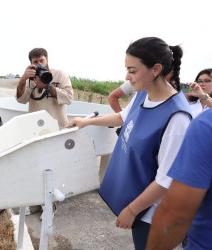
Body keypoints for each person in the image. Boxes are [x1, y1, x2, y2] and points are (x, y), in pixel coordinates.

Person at [65, 37, 192, 250]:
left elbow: (165, 181)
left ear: (155, 69)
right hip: (136, 192)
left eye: (132, 71)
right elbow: (124, 117)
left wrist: (133, 210)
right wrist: (86, 122)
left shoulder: (177, 118)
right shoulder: (144, 94)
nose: (127, 77)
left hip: (152, 213)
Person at [146, 50, 212, 250]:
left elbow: (175, 214)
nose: (210, 78)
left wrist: (203, 96)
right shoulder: (189, 105)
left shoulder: (210, 120)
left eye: (209, 78)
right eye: (200, 80)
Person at [16, 48, 73, 129]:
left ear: (47, 60)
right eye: (35, 62)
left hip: (58, 127)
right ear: (31, 64)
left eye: (41, 60)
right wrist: (22, 80)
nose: (39, 64)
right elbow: (21, 100)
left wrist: (47, 86)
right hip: (36, 127)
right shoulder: (30, 80)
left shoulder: (60, 75)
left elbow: (69, 98)